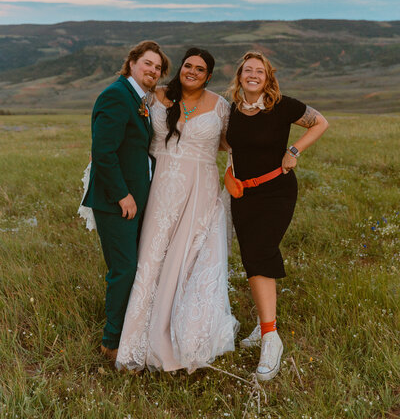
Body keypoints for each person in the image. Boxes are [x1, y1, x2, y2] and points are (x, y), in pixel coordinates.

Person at [116, 48, 238, 373]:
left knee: (187, 259)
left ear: (209, 75)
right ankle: (136, 342)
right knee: (152, 257)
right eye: (188, 65)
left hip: (200, 190)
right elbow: (129, 128)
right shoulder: (155, 98)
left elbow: (232, 144)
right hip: (159, 187)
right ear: (180, 68)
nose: (193, 71)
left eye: (200, 69)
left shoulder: (220, 106)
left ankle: (184, 339)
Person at [225, 51, 329, 382]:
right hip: (242, 195)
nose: (253, 75)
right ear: (240, 76)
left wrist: (294, 150)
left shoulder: (282, 105)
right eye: (248, 70)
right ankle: (262, 323)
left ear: (268, 78)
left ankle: (271, 339)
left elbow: (320, 122)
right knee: (252, 258)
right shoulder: (232, 110)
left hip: (276, 192)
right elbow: (227, 145)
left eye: (260, 71)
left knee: (260, 254)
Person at [81, 41, 170, 361]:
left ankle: (131, 332)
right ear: (131, 63)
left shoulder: (138, 98)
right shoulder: (116, 95)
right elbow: (103, 152)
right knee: (124, 269)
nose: (153, 71)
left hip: (134, 199)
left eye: (158, 68)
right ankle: (111, 343)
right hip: (115, 201)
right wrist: (122, 195)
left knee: (133, 267)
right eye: (147, 63)